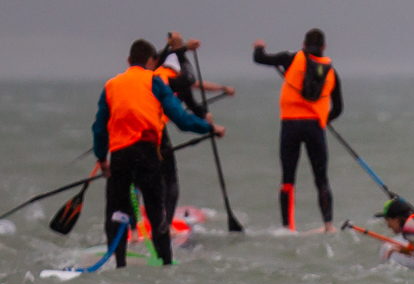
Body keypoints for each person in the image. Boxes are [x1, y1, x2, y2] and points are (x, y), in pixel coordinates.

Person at [91, 39, 224, 268]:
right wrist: (210, 128)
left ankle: (119, 263)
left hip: (119, 156)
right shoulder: (155, 81)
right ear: (151, 62)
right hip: (147, 154)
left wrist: (102, 159)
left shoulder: (111, 86)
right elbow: (181, 119)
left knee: (116, 211)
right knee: (156, 211)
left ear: (128, 60)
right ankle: (166, 263)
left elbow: (99, 128)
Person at [253, 29, 342, 232]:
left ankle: (288, 228)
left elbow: (260, 59)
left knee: (288, 179)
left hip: (290, 126)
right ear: (324, 47)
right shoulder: (331, 71)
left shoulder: (291, 58)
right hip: (315, 128)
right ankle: (328, 225)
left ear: (303, 44)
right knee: (321, 179)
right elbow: (338, 108)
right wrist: (325, 119)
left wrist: (259, 47)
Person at [153, 32, 233, 217]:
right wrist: (210, 128)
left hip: (142, 130)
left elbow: (193, 104)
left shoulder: (160, 76)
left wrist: (205, 116)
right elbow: (183, 119)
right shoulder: (166, 78)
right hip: (154, 131)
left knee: (142, 176)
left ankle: (137, 223)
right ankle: (165, 224)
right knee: (170, 179)